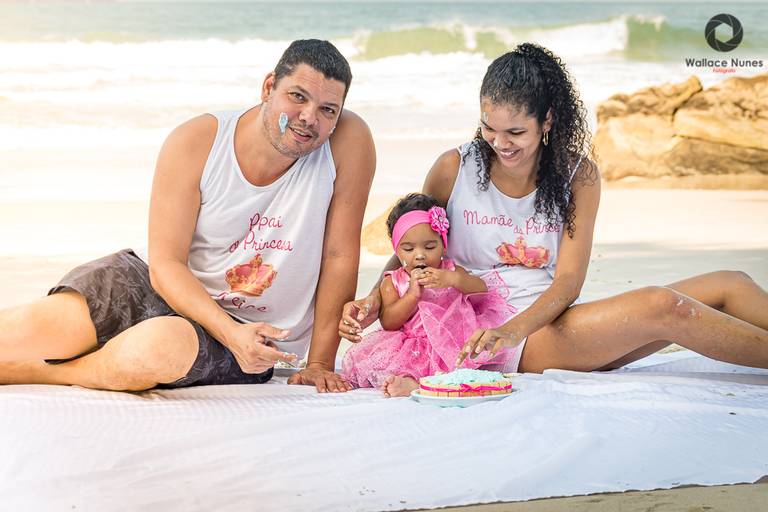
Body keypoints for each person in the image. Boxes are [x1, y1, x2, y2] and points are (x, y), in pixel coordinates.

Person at [340, 43, 768, 374]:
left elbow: (568, 282)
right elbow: (411, 246)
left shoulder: (578, 176)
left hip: (540, 322)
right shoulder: (455, 167)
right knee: (663, 306)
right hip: (478, 334)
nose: (499, 142)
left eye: (515, 131)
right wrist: (373, 300)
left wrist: (516, 328)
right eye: (488, 127)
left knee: (730, 282)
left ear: (546, 121)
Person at [0, 39, 375, 392]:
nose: (310, 117)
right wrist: (228, 333)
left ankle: (39, 371)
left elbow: (339, 256)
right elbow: (165, 264)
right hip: (153, 284)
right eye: (297, 96)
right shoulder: (197, 140)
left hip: (245, 329)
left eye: (328, 109)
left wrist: (320, 364)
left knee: (157, 350)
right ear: (268, 88)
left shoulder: (348, 141)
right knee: (24, 331)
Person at [340, 193, 516, 397]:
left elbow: (481, 290)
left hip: (453, 338)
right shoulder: (393, 281)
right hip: (415, 344)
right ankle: (412, 383)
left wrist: (453, 280)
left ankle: (439, 382)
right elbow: (389, 322)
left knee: (463, 364)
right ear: (397, 250)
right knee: (410, 363)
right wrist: (412, 296)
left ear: (443, 244)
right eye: (408, 248)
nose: (420, 254)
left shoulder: (451, 270)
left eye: (430, 246)